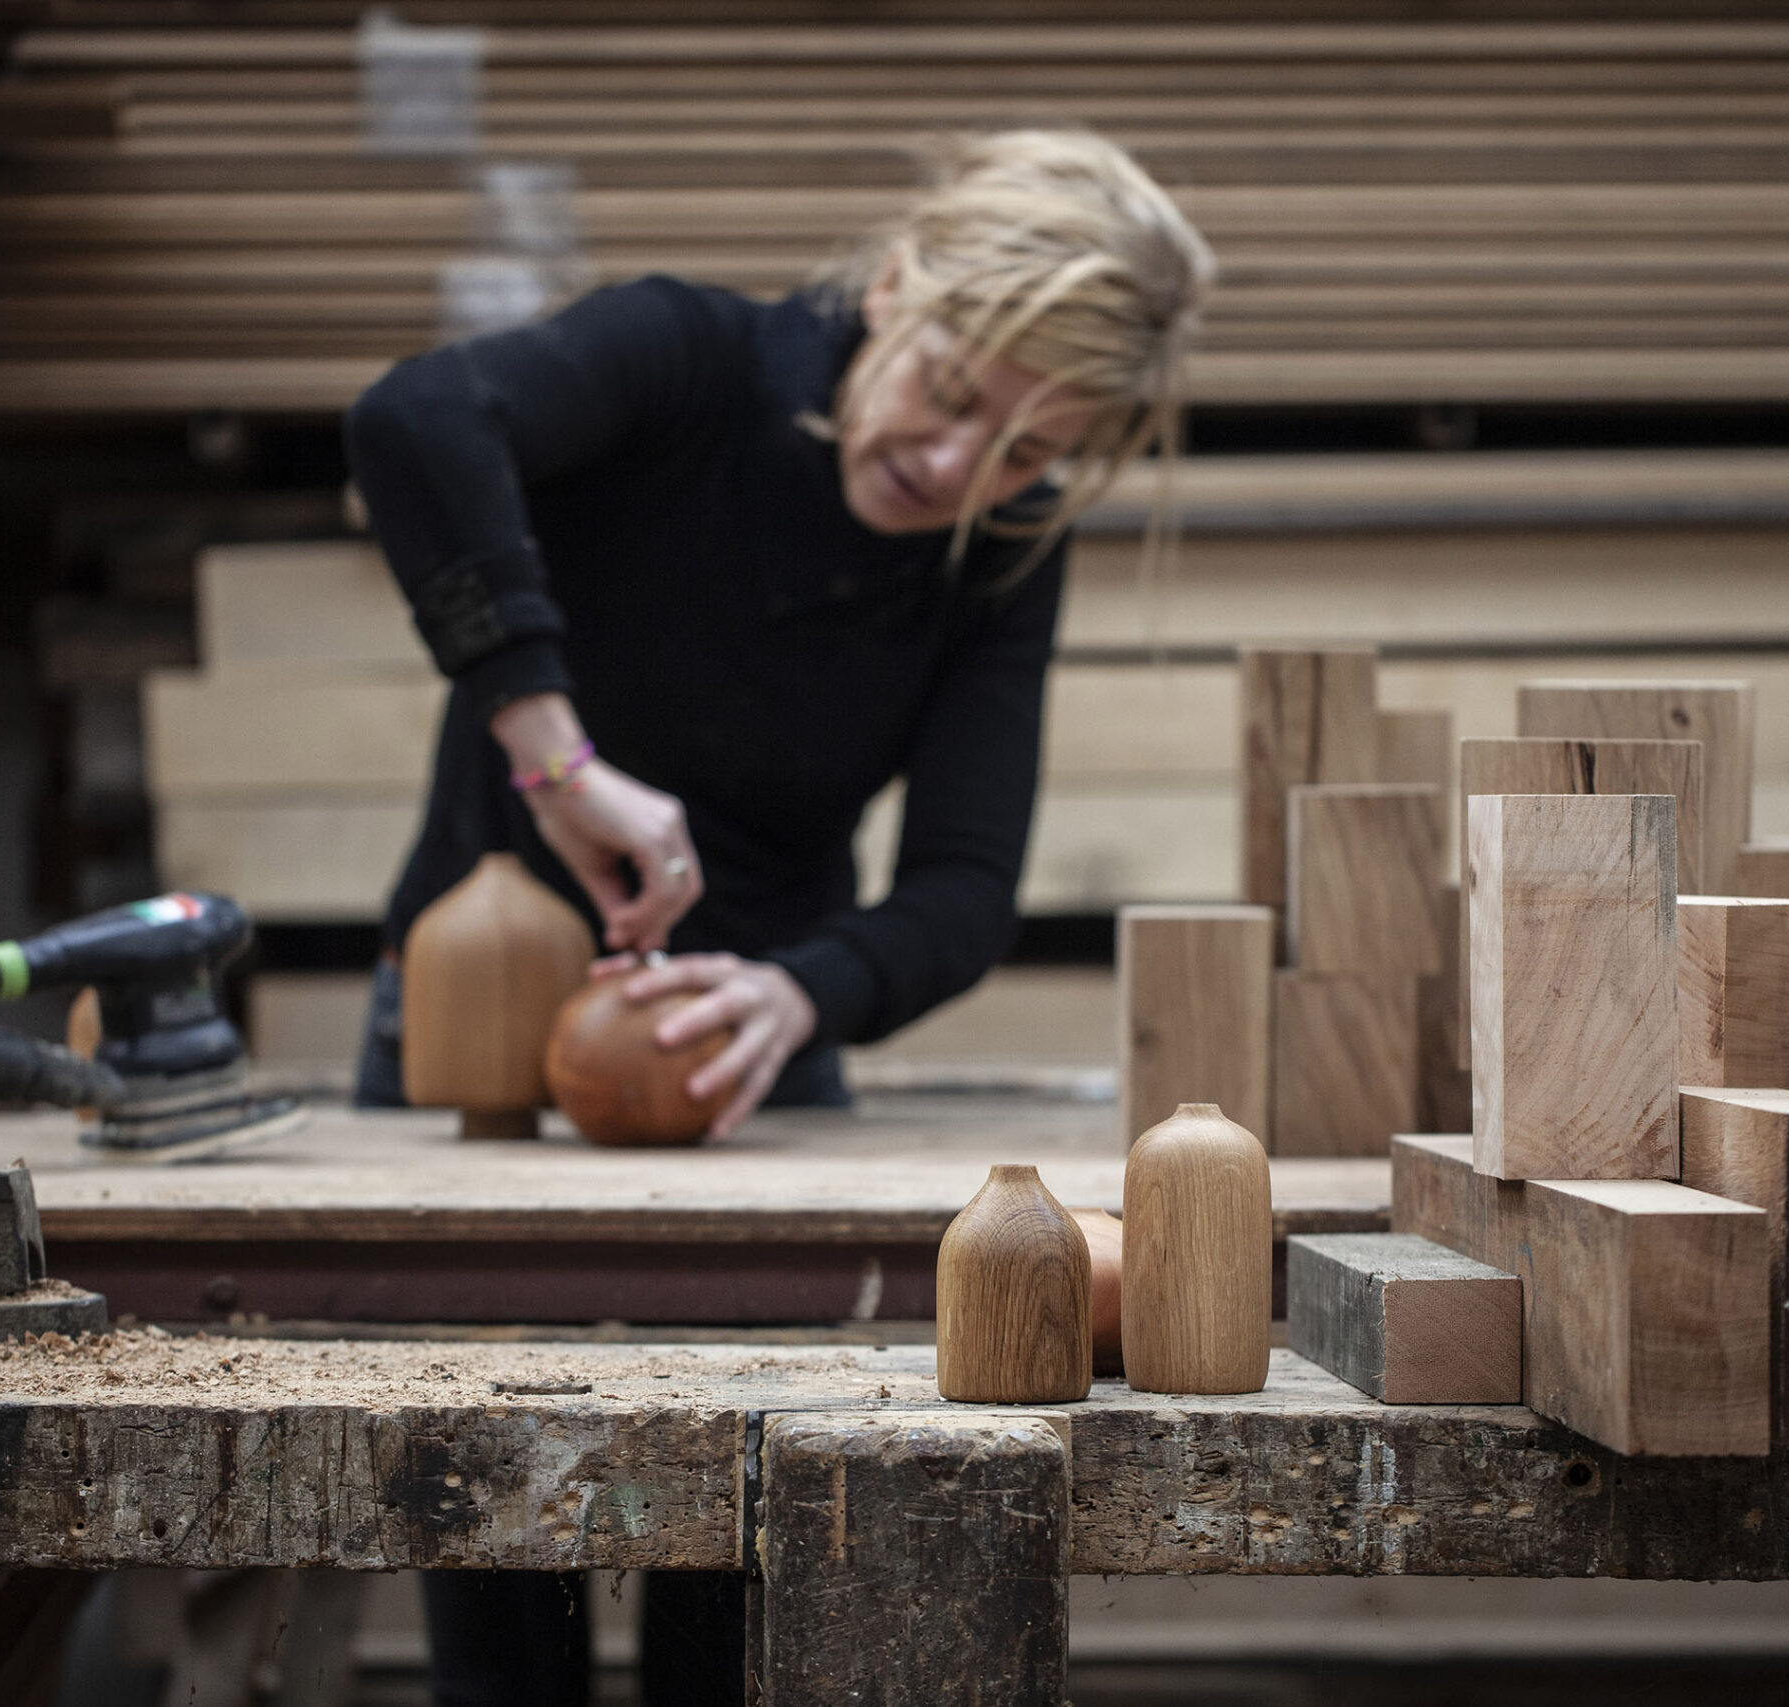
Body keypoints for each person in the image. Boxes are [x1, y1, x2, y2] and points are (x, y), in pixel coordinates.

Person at [343, 128, 1210, 1707]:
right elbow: (413, 416)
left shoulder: (999, 552)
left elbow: (962, 888)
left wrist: (802, 995)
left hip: (756, 1078)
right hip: (474, 1046)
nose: (960, 470)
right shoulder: (689, 362)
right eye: (953, 391)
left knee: (734, 1594)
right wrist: (557, 757)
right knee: (492, 1541)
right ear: (893, 286)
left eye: (1028, 452)